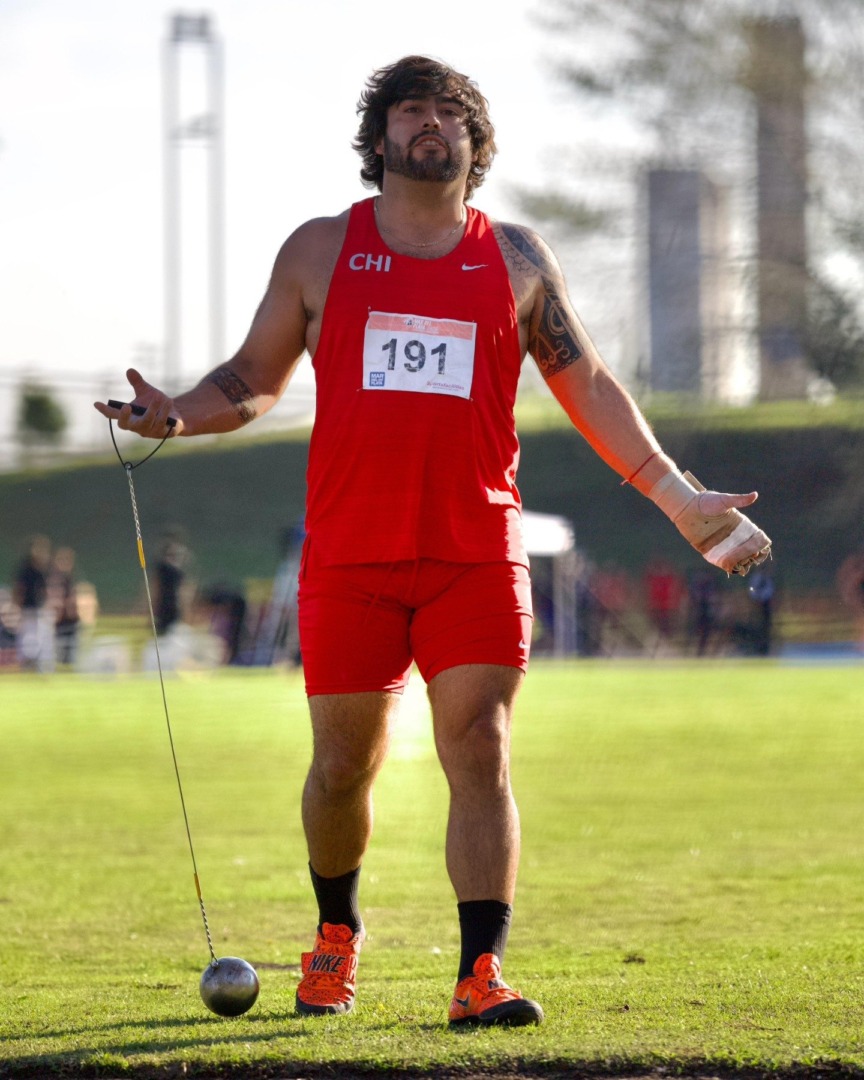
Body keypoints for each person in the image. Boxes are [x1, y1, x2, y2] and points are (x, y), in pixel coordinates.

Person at [94, 55, 772, 1027]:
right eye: (411, 111)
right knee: (342, 768)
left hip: (475, 557)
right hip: (351, 557)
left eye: (450, 113)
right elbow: (252, 376)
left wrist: (678, 498)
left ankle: (479, 973)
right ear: (380, 139)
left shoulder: (520, 262)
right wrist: (174, 419)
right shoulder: (321, 251)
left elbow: (590, 390)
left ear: (474, 141)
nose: (431, 125)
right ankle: (335, 939)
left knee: (481, 748)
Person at [13, 534, 56, 672]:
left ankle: (43, 666)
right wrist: (18, 608)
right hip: (27, 610)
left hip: (41, 610)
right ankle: (26, 665)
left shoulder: (46, 570)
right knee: (27, 639)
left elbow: (46, 591)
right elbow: (19, 590)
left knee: (43, 638)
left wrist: (48, 605)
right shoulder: (26, 570)